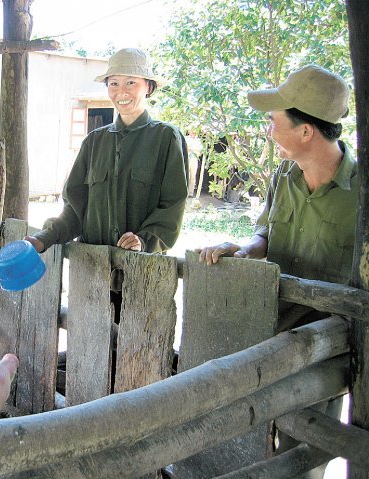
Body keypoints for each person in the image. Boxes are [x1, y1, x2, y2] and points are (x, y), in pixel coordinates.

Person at [197, 64, 355, 479]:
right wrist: (247, 248)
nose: (269, 131)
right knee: (259, 435)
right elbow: (266, 231)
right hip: (273, 332)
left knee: (303, 447)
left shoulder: (363, 193)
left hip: (329, 347)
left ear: (307, 132)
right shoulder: (285, 175)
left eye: (274, 121)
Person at [25, 48, 188, 259]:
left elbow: (172, 206)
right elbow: (75, 209)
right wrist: (43, 238)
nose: (121, 91)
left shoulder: (167, 138)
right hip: (92, 269)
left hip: (142, 271)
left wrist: (144, 239)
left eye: (131, 82)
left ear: (148, 87)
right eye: (114, 83)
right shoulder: (93, 142)